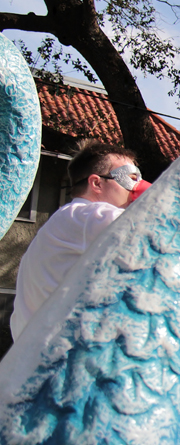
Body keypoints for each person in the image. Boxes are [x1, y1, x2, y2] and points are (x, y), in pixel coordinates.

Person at [10, 139, 150, 341]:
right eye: (130, 178)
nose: (136, 187)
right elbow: (163, 229)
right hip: (59, 358)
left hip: (35, 356)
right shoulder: (88, 215)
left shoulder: (67, 219)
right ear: (96, 183)